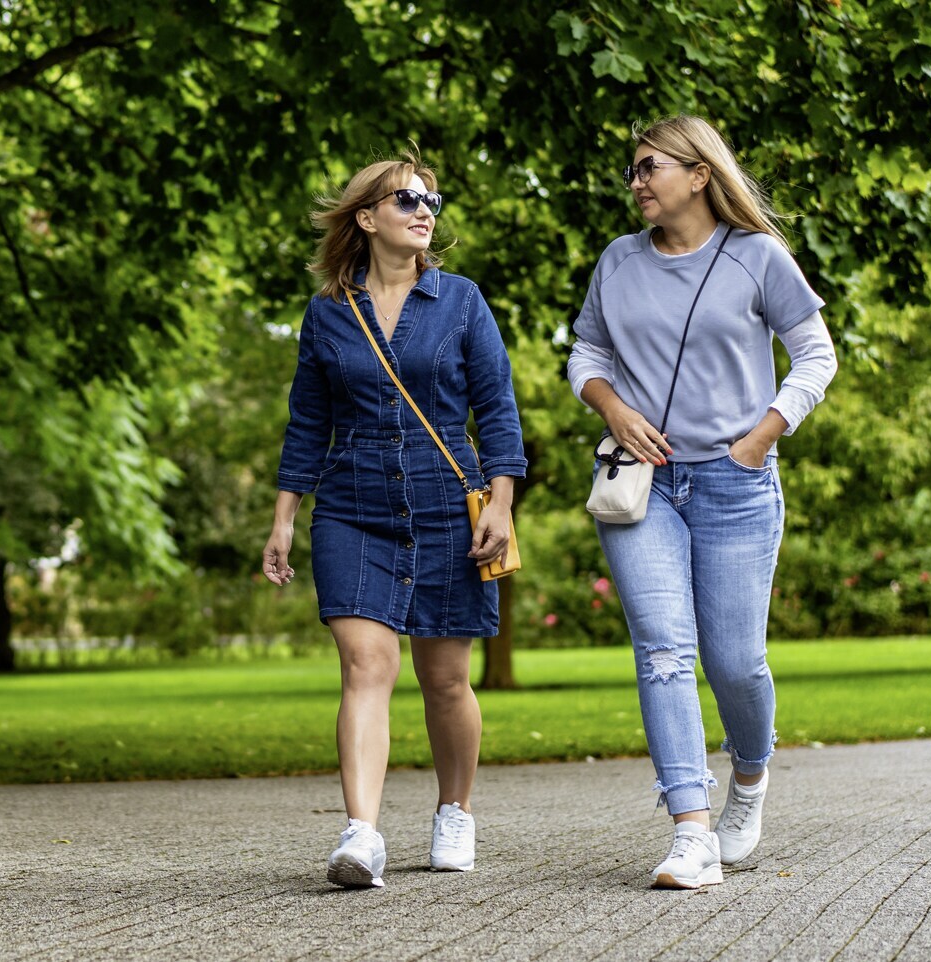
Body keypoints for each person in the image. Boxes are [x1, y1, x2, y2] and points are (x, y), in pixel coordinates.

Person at [567, 116, 838, 889]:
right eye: (633, 170)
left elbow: (816, 353)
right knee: (662, 649)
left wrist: (761, 438)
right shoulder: (618, 263)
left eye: (650, 167)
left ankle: (748, 779)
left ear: (699, 174)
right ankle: (690, 829)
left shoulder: (756, 258)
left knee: (734, 662)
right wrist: (611, 407)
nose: (637, 181)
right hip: (643, 486)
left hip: (735, 483)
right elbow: (586, 350)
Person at [263, 151, 527, 889]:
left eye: (431, 201)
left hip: (451, 508)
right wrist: (284, 519)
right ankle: (362, 834)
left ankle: (455, 811)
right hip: (351, 507)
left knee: (444, 681)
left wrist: (500, 503)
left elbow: (498, 411)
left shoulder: (462, 301)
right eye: (406, 199)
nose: (423, 211)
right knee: (366, 664)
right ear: (366, 216)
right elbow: (306, 425)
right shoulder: (327, 313)